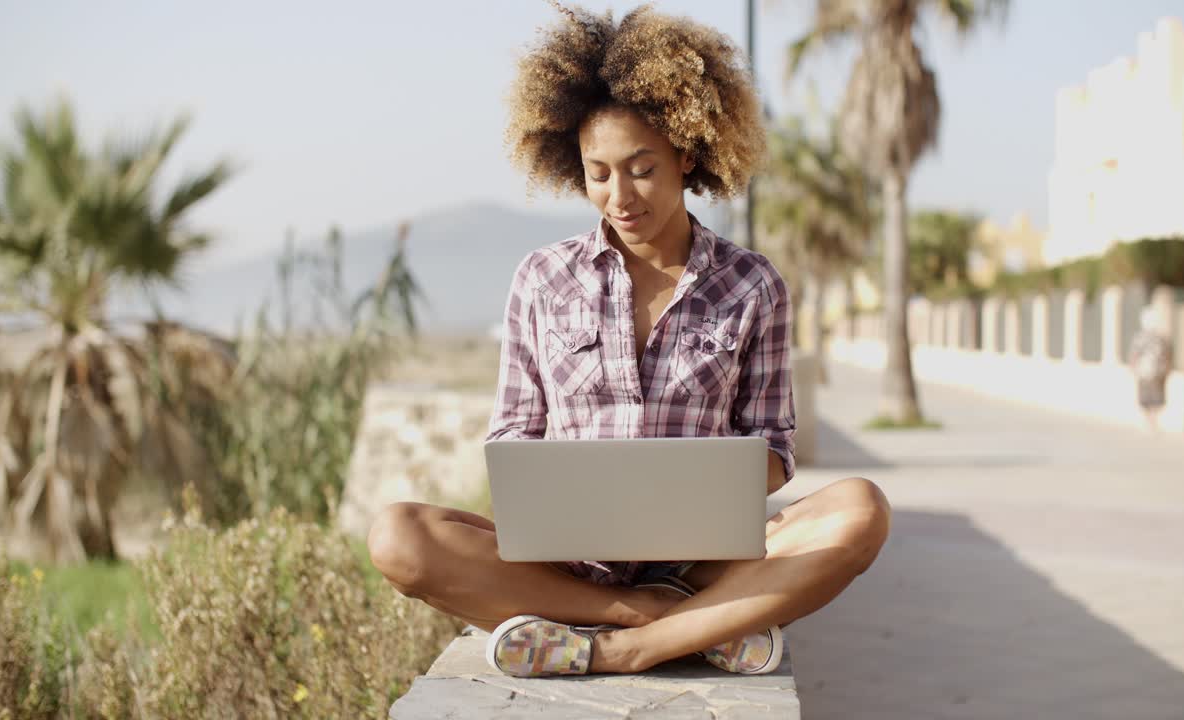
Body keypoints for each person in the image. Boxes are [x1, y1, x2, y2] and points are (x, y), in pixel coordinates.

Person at [367, 3, 890, 679]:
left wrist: (695, 488)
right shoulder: (541, 278)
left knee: (859, 511)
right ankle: (645, 616)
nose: (620, 195)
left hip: (702, 559)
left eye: (641, 167)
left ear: (686, 153)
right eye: (599, 172)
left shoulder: (753, 285)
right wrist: (563, 501)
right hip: (569, 557)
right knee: (398, 537)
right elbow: (514, 435)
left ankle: (624, 646)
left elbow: (776, 446)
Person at [1128, 305, 1173, 434]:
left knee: (1147, 396)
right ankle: (1153, 422)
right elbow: (1168, 354)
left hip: (1146, 372)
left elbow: (1134, 354)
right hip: (1159, 371)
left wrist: (1133, 368)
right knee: (1156, 396)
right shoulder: (1161, 337)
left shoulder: (1141, 338)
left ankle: (1150, 422)